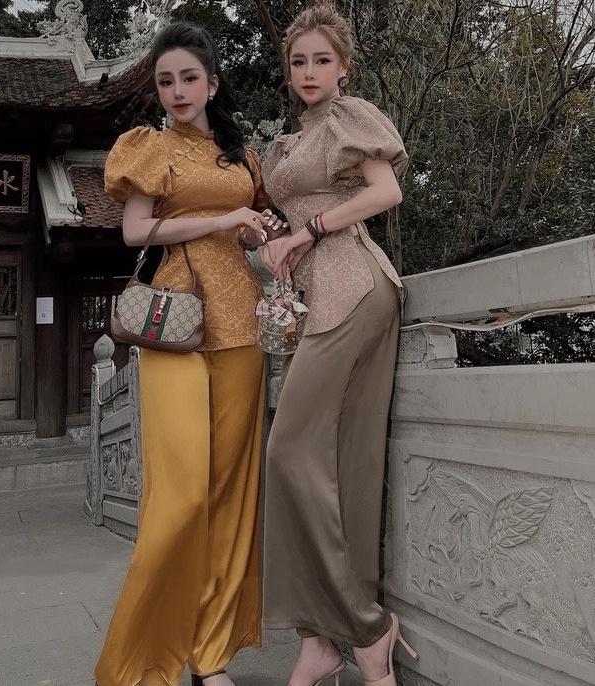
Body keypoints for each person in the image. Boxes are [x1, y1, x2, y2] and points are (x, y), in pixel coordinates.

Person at [94, 22, 285, 686]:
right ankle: (142, 662)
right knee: (179, 496)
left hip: (240, 327)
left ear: (212, 83)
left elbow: (256, 236)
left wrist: (262, 230)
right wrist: (223, 219)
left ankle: (210, 655)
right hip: (172, 323)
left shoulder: (244, 160)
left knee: (231, 494)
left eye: (189, 78)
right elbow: (135, 230)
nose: (177, 91)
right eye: (166, 81)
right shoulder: (149, 149)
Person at [259, 3, 418, 685]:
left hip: (355, 286)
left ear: (344, 67)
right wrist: (271, 236)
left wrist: (309, 229)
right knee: (342, 461)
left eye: (322, 60)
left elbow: (387, 191)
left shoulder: (350, 118)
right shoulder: (290, 142)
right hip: (316, 298)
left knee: (288, 448)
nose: (309, 71)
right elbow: (293, 213)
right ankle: (325, 639)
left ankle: (367, 628)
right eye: (298, 61)